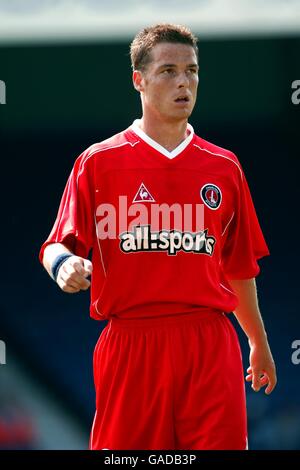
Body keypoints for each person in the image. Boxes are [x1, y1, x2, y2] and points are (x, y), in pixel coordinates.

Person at [39, 23, 277, 450]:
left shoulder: (225, 167)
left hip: (209, 341)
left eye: (192, 70)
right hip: (130, 343)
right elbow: (55, 245)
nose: (183, 81)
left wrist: (257, 341)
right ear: (139, 80)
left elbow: (239, 267)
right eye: (168, 70)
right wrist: (65, 265)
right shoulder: (98, 162)